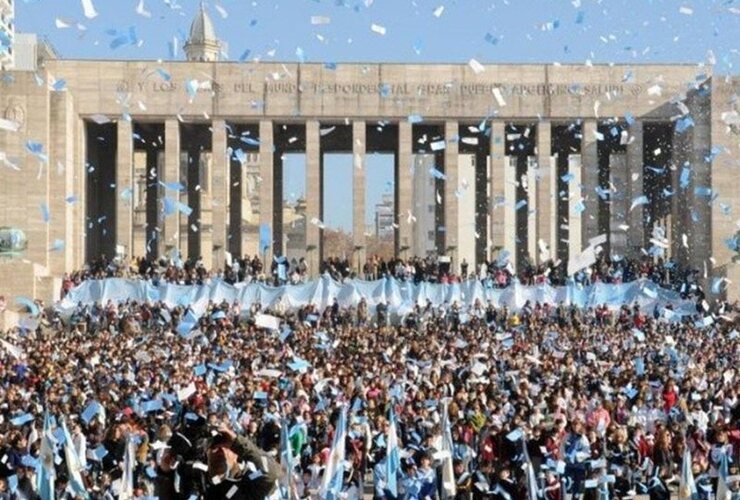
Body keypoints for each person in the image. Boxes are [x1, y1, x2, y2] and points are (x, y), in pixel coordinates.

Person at [156, 424, 281, 500]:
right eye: (214, 448)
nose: (220, 451)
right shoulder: (202, 483)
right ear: (207, 454)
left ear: (236, 453)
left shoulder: (247, 480)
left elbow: (270, 473)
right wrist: (165, 473)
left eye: (226, 447)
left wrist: (239, 443)